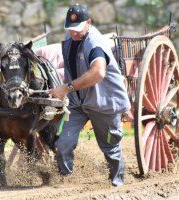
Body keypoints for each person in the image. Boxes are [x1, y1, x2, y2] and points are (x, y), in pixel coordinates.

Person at [50, 4, 130, 186]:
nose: (73, 33)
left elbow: (98, 73)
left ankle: (117, 184)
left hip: (104, 103)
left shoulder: (95, 43)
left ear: (89, 23)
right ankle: (65, 183)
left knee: (110, 148)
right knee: (63, 144)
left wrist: (66, 88)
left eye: (77, 29)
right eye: (70, 29)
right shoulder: (70, 38)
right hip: (78, 103)